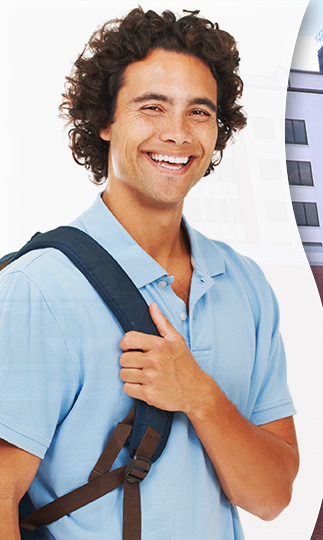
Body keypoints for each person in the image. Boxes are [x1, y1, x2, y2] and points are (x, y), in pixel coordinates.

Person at [0, 8, 297, 539]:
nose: (177, 134)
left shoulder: (245, 284)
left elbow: (271, 497)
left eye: (199, 113)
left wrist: (199, 395)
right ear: (105, 121)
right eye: (152, 107)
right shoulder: (38, 290)